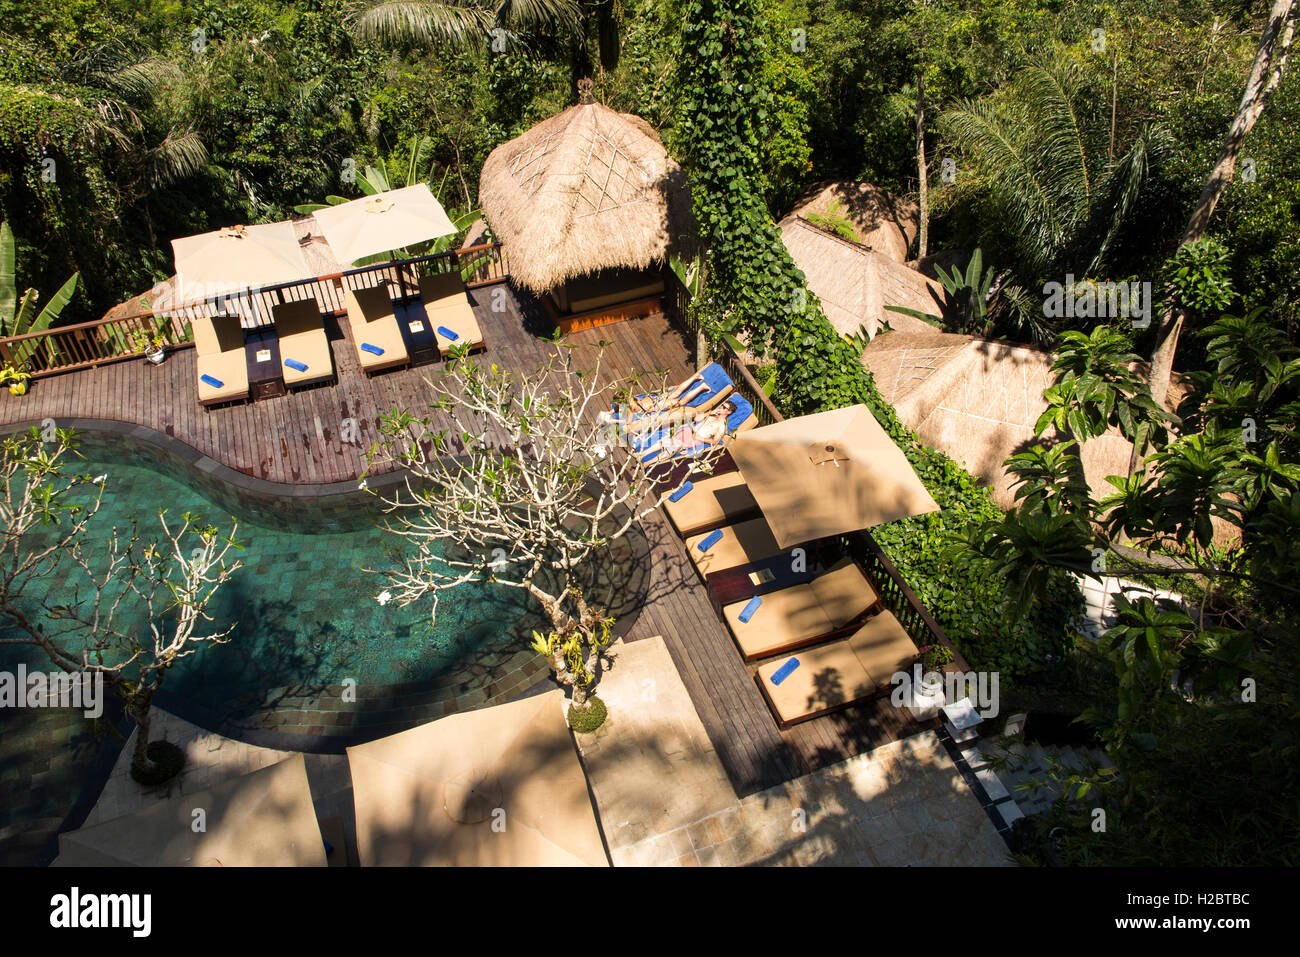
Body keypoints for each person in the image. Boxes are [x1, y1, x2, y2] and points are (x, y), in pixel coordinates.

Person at [599, 371, 711, 424]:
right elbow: (618, 408)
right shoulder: (630, 397)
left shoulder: (629, 407)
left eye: (617, 403)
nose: (616, 405)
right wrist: (610, 412)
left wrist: (613, 420)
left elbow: (628, 421)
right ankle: (695, 377)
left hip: (658, 405)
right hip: (655, 399)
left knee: (681, 402)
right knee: (677, 392)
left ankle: (702, 387)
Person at [640, 401, 736, 459]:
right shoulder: (712, 414)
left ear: (728, 412)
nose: (721, 407)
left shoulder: (722, 426)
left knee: (674, 444)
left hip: (696, 439)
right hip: (688, 431)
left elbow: (715, 441)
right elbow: (696, 419)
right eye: (722, 405)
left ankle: (648, 462)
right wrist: (710, 413)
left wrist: (699, 437)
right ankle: (643, 454)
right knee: (667, 440)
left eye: (724, 407)